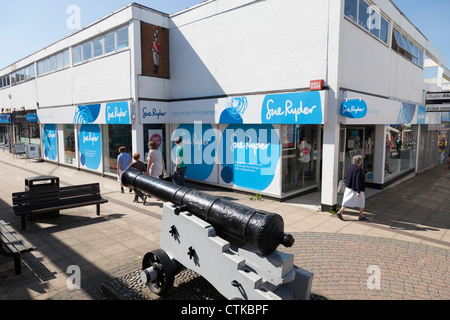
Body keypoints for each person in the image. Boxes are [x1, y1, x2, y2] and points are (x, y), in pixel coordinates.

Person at [336, 155, 368, 221]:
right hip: (357, 188)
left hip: (348, 187)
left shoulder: (350, 167)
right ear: (360, 162)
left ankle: (340, 211)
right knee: (362, 201)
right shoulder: (359, 169)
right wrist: (358, 191)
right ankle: (361, 215)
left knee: (347, 200)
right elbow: (358, 180)